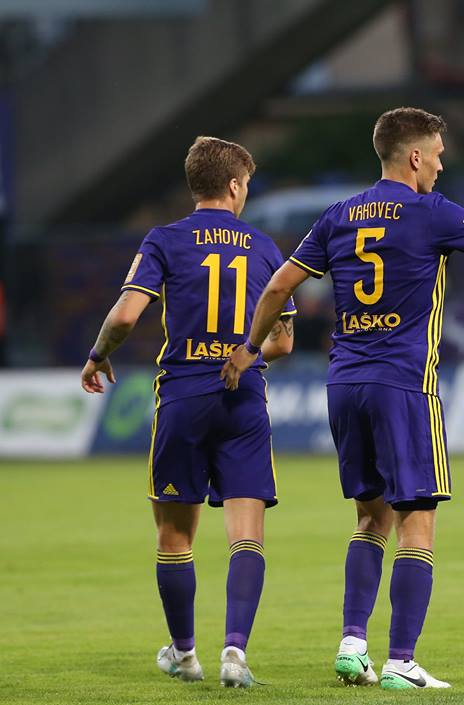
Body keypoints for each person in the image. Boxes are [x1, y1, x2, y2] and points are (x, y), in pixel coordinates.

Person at [221, 107, 464, 689]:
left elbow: (279, 285)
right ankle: (401, 661)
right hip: (403, 384)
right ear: (415, 157)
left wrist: (251, 347)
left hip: (344, 384)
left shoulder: (339, 214)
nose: (441, 166)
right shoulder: (432, 212)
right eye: (438, 155)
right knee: (417, 522)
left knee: (369, 516)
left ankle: (353, 645)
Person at [80, 136, 296, 688]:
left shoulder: (165, 239)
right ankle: (235, 653)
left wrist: (99, 354)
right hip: (243, 397)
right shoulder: (264, 246)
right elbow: (284, 341)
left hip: (183, 396)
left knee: (175, 537)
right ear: (234, 185)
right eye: (246, 185)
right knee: (246, 536)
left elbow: (125, 317)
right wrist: (244, 356)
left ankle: (184, 654)